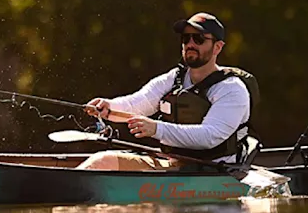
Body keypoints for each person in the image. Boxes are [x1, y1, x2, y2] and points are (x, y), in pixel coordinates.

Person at [77, 12, 255, 171]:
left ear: (218, 47)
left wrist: (157, 129)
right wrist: (108, 106)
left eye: (199, 39)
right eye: (186, 38)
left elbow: (209, 136)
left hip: (216, 172)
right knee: (103, 161)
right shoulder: (174, 79)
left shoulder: (232, 89)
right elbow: (137, 103)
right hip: (175, 165)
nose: (190, 44)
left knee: (103, 162)